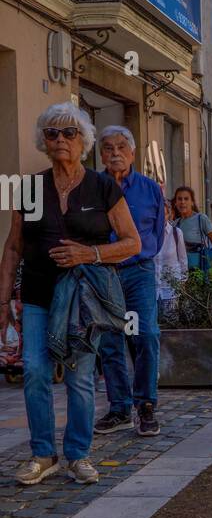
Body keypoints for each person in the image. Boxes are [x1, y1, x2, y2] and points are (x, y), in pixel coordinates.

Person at [0, 103, 141, 486]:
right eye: (52, 133)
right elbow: (13, 247)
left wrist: (89, 253)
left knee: (79, 377)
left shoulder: (103, 186)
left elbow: (132, 242)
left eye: (69, 133)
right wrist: (2, 302)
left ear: (84, 141)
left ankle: (78, 455)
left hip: (83, 299)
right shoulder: (28, 187)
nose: (60, 139)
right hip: (38, 294)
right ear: (43, 141)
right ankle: (43, 454)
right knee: (34, 372)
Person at [95, 125, 165, 438]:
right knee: (111, 340)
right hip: (105, 273)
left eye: (122, 147)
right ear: (100, 154)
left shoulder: (150, 189)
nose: (115, 153)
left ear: (133, 153)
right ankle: (119, 408)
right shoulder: (93, 187)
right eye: (108, 148)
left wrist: (139, 258)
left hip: (139, 272)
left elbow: (158, 232)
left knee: (145, 334)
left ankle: (146, 404)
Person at [173, 187, 212, 272]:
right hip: (181, 272)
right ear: (176, 203)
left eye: (186, 199)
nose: (182, 202)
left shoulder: (201, 219)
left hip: (200, 272)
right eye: (179, 199)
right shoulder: (176, 224)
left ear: (192, 202)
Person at [155, 199, 187, 316]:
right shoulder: (149, 234)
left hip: (171, 291)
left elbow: (183, 261)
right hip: (152, 291)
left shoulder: (176, 233)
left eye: (163, 214)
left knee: (171, 326)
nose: (160, 217)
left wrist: (181, 284)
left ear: (169, 214)